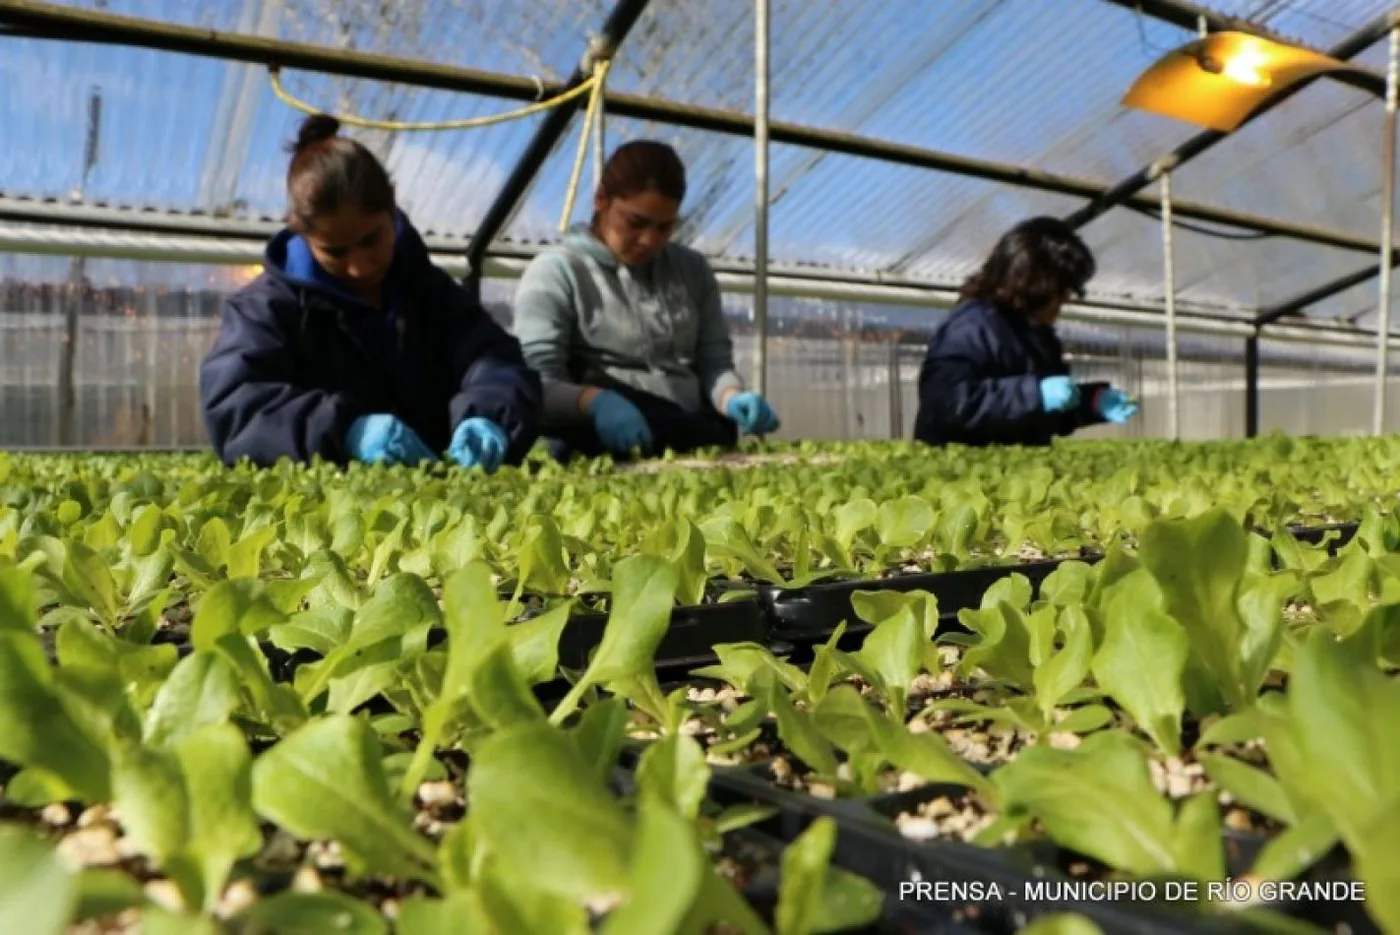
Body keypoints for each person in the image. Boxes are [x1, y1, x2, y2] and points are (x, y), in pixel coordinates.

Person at [200, 114, 541, 470]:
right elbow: (237, 407)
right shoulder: (263, 310)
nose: (360, 267)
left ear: (392, 210)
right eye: (336, 252)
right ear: (301, 234)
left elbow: (494, 360)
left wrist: (487, 413)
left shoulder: (429, 291)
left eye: (371, 240)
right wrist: (344, 431)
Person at [511, 140, 780, 462]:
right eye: (635, 223)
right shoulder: (556, 272)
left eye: (664, 227)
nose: (649, 240)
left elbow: (714, 363)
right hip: (600, 445)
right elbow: (535, 382)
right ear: (601, 200)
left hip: (693, 436)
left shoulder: (692, 270)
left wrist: (731, 396)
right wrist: (594, 402)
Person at [912, 216, 1139, 448]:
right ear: (1035, 285)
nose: (1066, 300)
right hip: (958, 477)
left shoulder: (1036, 335)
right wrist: (1035, 395)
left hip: (1013, 475)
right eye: (1062, 290)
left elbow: (1038, 415)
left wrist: (1091, 402)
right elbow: (947, 402)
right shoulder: (972, 326)